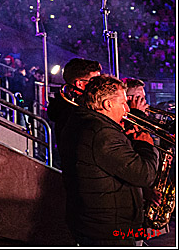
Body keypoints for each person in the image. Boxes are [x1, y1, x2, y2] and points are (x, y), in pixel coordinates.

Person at [58, 75, 159, 245]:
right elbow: (145, 175)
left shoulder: (87, 123)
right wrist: (145, 145)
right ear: (108, 104)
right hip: (108, 230)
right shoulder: (102, 133)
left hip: (97, 225)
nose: (127, 109)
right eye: (123, 103)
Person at [48, 58, 102, 145]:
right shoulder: (70, 110)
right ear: (79, 84)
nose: (99, 86)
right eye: (95, 82)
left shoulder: (67, 105)